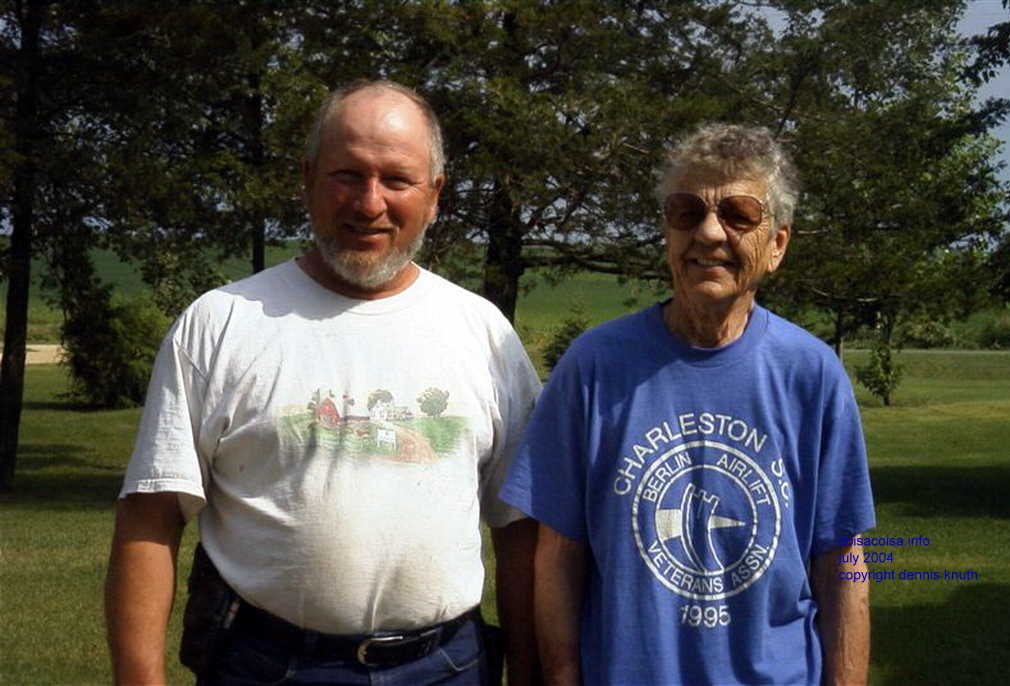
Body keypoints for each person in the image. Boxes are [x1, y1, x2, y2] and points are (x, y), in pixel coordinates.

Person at [105, 80, 542, 686]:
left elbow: (521, 526)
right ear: (307, 178)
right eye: (347, 175)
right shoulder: (220, 325)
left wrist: (529, 667)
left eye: (397, 179)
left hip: (448, 667)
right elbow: (151, 518)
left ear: (435, 194)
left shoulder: (484, 333)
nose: (369, 203)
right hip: (265, 665)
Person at [500, 123, 875, 685]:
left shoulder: (812, 374)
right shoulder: (594, 366)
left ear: (777, 244)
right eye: (686, 212)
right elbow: (557, 554)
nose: (709, 233)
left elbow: (842, 561)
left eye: (739, 215)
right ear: (666, 234)